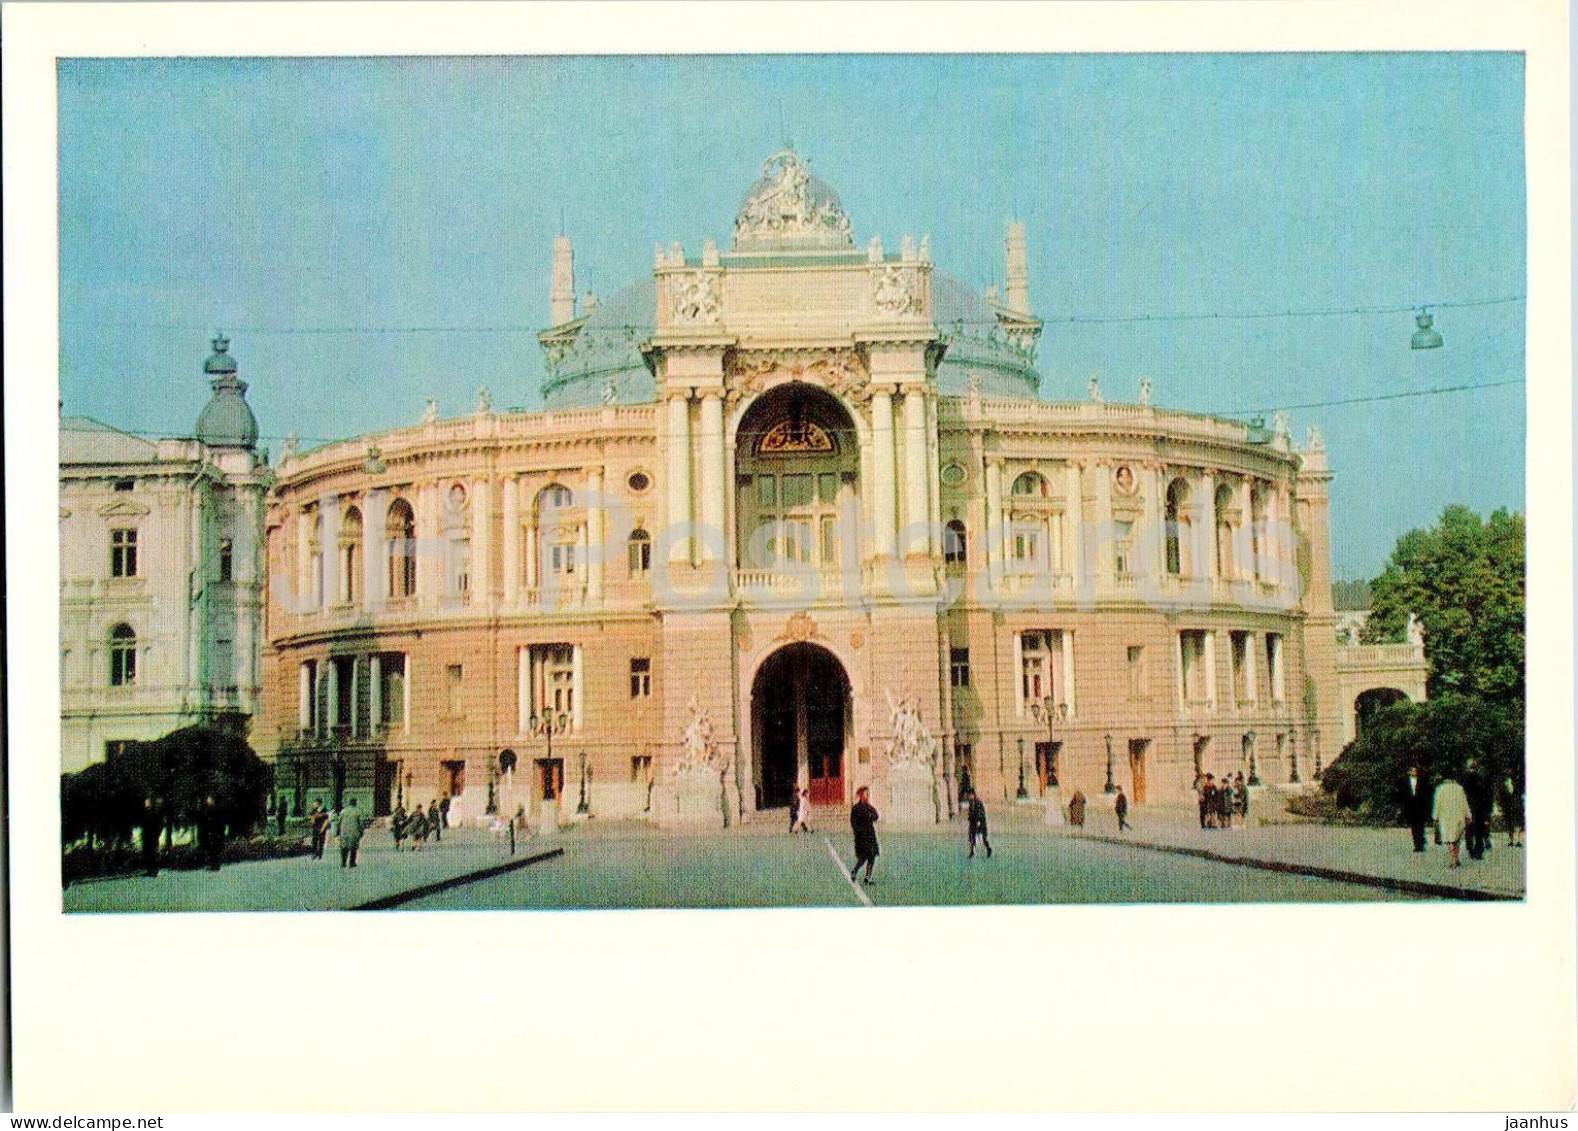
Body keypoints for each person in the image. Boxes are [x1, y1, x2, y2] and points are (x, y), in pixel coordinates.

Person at [1432, 775, 1471, 869]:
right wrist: (1468, 816)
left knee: (1450, 840)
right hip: (1459, 817)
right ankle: (1456, 858)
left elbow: (1437, 804)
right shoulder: (1459, 788)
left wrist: (1435, 817)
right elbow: (1465, 803)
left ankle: (1453, 860)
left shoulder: (1440, 789)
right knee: (1456, 839)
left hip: (1446, 817)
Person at [849, 786, 880, 884]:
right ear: (861, 795)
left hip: (869, 835)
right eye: (866, 794)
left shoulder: (868, 807)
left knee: (871, 856)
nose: (868, 796)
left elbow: (876, 816)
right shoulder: (856, 808)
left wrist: (870, 815)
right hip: (862, 836)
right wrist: (858, 833)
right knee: (864, 857)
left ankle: (867, 877)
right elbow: (853, 822)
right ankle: (855, 871)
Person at [1401, 765, 1430, 852]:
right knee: (1414, 828)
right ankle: (1416, 845)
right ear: (1410, 772)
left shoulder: (1421, 781)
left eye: (1415, 771)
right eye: (1412, 771)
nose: (1414, 772)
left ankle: (1420, 845)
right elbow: (1403, 795)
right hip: (1411, 807)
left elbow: (1425, 795)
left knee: (1420, 827)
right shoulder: (1405, 782)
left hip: (1420, 807)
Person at [336, 797, 367, 868]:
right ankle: (351, 863)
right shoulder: (358, 811)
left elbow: (338, 822)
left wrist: (337, 831)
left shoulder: (343, 811)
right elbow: (361, 823)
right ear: (355, 803)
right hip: (354, 832)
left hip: (344, 833)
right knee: (353, 848)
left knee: (344, 848)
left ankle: (343, 863)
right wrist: (361, 832)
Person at [197, 795, 224, 871]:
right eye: (208, 800)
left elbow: (220, 823)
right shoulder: (205, 811)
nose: (209, 802)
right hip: (208, 833)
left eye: (210, 800)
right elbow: (203, 823)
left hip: (215, 833)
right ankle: (211, 864)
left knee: (214, 850)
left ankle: (215, 865)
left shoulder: (217, 810)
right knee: (209, 850)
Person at [139, 795, 163, 877]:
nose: (146, 804)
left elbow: (159, 825)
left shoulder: (154, 813)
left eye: (147, 802)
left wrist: (156, 834)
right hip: (147, 836)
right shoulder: (147, 813)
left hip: (152, 836)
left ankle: (154, 870)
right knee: (148, 853)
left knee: (152, 853)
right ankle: (150, 869)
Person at [965, 789, 992, 858]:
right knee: (971, 837)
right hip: (973, 823)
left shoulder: (978, 802)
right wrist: (969, 817)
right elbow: (971, 813)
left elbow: (981, 812)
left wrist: (979, 821)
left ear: (973, 795)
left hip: (980, 823)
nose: (969, 797)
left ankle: (988, 849)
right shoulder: (971, 803)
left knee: (984, 838)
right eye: (969, 795)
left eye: (970, 795)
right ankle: (972, 852)